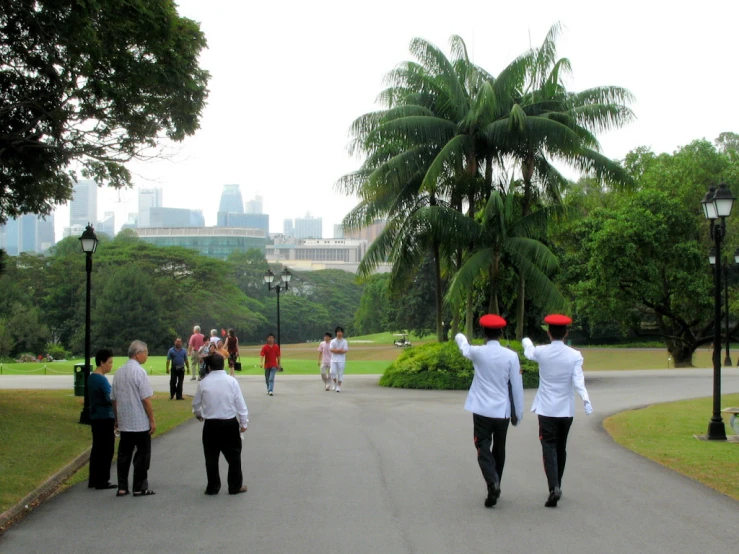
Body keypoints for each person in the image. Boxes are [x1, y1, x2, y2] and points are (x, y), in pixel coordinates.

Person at [522, 314, 593, 508]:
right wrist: (586, 399)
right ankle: (557, 484)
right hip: (566, 410)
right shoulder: (575, 355)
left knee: (548, 447)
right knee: (561, 448)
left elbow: (529, 353)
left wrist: (526, 342)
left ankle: (553, 487)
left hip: (546, 409)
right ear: (566, 333)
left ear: (548, 332)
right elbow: (578, 380)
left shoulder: (542, 352)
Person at [455, 315, 524, 508]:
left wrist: (460, 336)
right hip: (502, 410)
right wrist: (518, 413)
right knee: (499, 448)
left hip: (481, 409)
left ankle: (492, 482)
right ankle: (496, 483)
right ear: (501, 333)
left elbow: (464, 349)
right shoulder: (511, 356)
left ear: (484, 333)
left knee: (482, 446)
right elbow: (516, 387)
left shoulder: (478, 352)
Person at [192, 353, 248, 495]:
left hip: (211, 424)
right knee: (234, 457)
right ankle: (234, 486)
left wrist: (199, 414)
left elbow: (196, 404)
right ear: (222, 365)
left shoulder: (204, 382)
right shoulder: (232, 381)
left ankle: (213, 486)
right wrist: (243, 422)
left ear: (209, 367)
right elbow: (240, 404)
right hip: (229, 423)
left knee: (211, 457)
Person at [111, 340, 156, 497]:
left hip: (125, 421)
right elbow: (146, 399)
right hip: (139, 422)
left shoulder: (119, 372)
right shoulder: (139, 372)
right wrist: (152, 419)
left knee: (124, 455)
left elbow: (114, 399)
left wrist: (117, 419)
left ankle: (122, 487)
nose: (147, 356)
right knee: (142, 456)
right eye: (146, 353)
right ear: (138, 354)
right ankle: (139, 486)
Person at [87, 348, 116, 490]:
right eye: (109, 362)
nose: (111, 365)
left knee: (97, 448)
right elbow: (109, 397)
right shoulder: (102, 380)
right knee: (106, 449)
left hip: (95, 416)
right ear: (102, 362)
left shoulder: (91, 378)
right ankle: (102, 479)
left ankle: (94, 478)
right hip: (105, 417)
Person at [329, 326, 349, 393]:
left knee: (340, 373)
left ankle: (338, 386)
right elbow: (331, 349)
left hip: (341, 360)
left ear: (342, 333)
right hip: (333, 360)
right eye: (338, 332)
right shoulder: (332, 341)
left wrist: (336, 351)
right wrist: (339, 350)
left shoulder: (344, 341)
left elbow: (345, 350)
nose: (339, 333)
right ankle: (335, 383)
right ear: (336, 333)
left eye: (340, 332)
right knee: (332, 372)